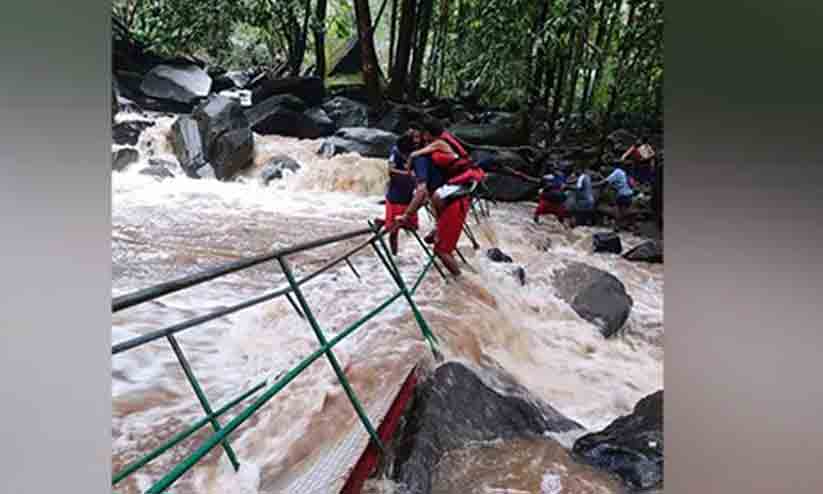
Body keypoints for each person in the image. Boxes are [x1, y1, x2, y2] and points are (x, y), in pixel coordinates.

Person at [395, 153, 470, 276]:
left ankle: (461, 282)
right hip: (454, 201)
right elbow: (426, 198)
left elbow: (421, 192)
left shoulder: (419, 163)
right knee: (443, 246)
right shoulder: (424, 162)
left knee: (441, 251)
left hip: (453, 205)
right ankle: (457, 276)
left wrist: (406, 216)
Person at [378, 130, 419, 255]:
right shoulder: (395, 151)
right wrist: (408, 174)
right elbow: (390, 170)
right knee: (393, 231)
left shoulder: (415, 153)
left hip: (408, 196)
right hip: (395, 196)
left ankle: (382, 221)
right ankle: (394, 254)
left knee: (412, 226)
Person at [593, 163, 634, 231]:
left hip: (623, 194)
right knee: (625, 211)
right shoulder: (622, 172)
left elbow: (604, 182)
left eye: (606, 167)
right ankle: (629, 225)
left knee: (618, 210)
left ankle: (618, 226)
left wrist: (592, 185)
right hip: (628, 194)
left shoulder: (616, 172)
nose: (605, 169)